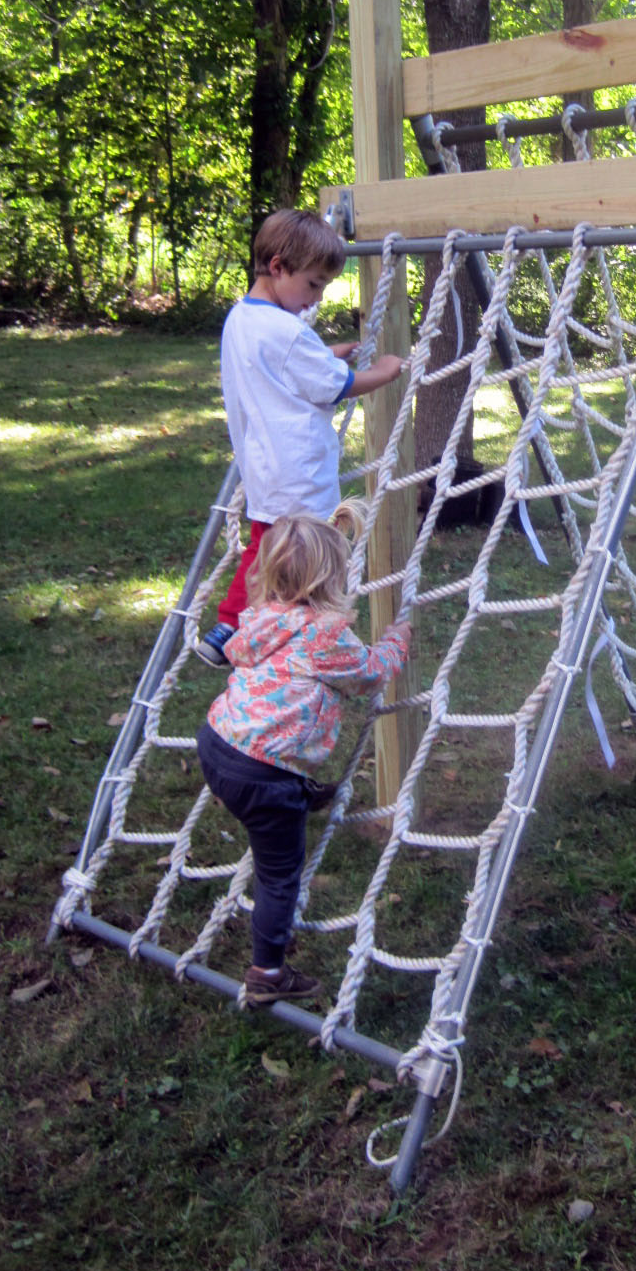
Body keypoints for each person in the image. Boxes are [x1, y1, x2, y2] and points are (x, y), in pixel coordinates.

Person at [196, 507, 411, 1006]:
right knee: (279, 874)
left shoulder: (259, 618)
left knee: (275, 775)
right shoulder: (326, 635)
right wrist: (396, 641)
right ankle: (267, 971)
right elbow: (370, 674)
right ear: (333, 578)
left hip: (217, 744)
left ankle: (302, 791)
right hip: (262, 775)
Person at [197, 207, 403, 668]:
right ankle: (284, 631)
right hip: (298, 470)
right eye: (313, 284)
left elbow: (275, 366)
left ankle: (229, 625)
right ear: (277, 267)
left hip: (263, 464)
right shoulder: (288, 332)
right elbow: (337, 385)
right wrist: (384, 372)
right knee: (309, 555)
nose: (316, 298)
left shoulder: (241, 318)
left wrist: (325, 352)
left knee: (264, 544)